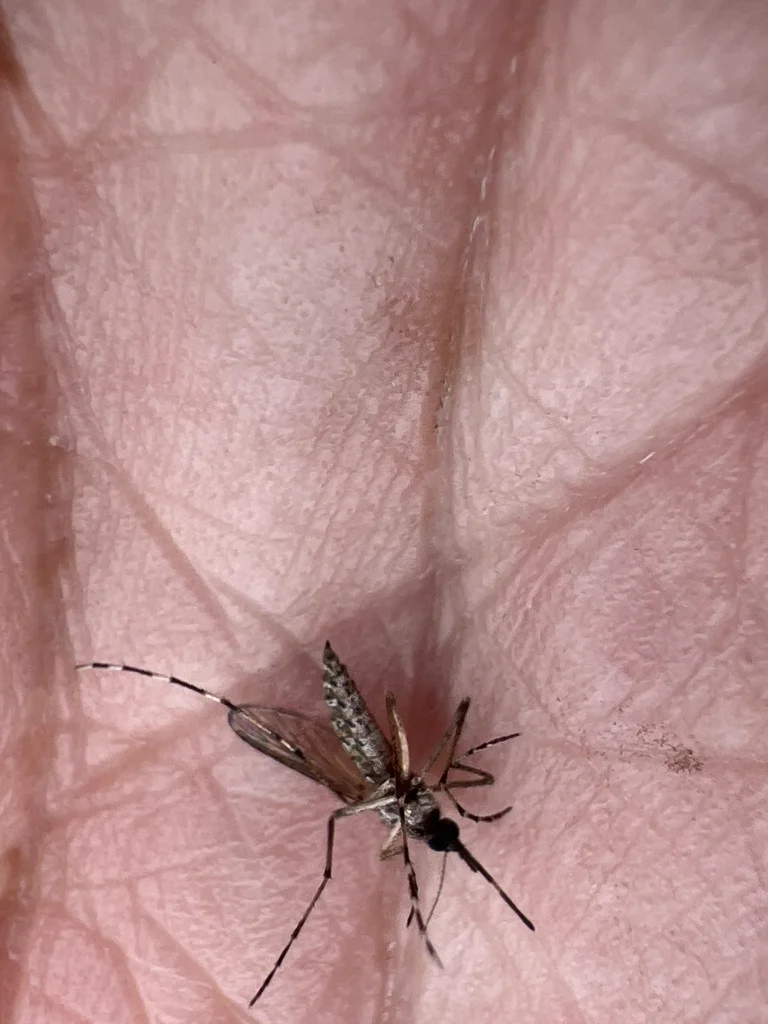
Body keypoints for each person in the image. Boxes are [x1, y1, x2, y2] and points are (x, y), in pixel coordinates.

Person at [4, 2, 765, 1021]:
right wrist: (432, 769)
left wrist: (408, 781)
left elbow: (435, 759)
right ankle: (200, 697)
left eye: (446, 832)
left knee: (338, 791)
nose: (446, 827)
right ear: (434, 810)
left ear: (434, 819)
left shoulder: (404, 803)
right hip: (376, 746)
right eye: (444, 826)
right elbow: (445, 743)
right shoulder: (424, 788)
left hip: (362, 755)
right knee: (357, 795)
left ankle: (233, 716)